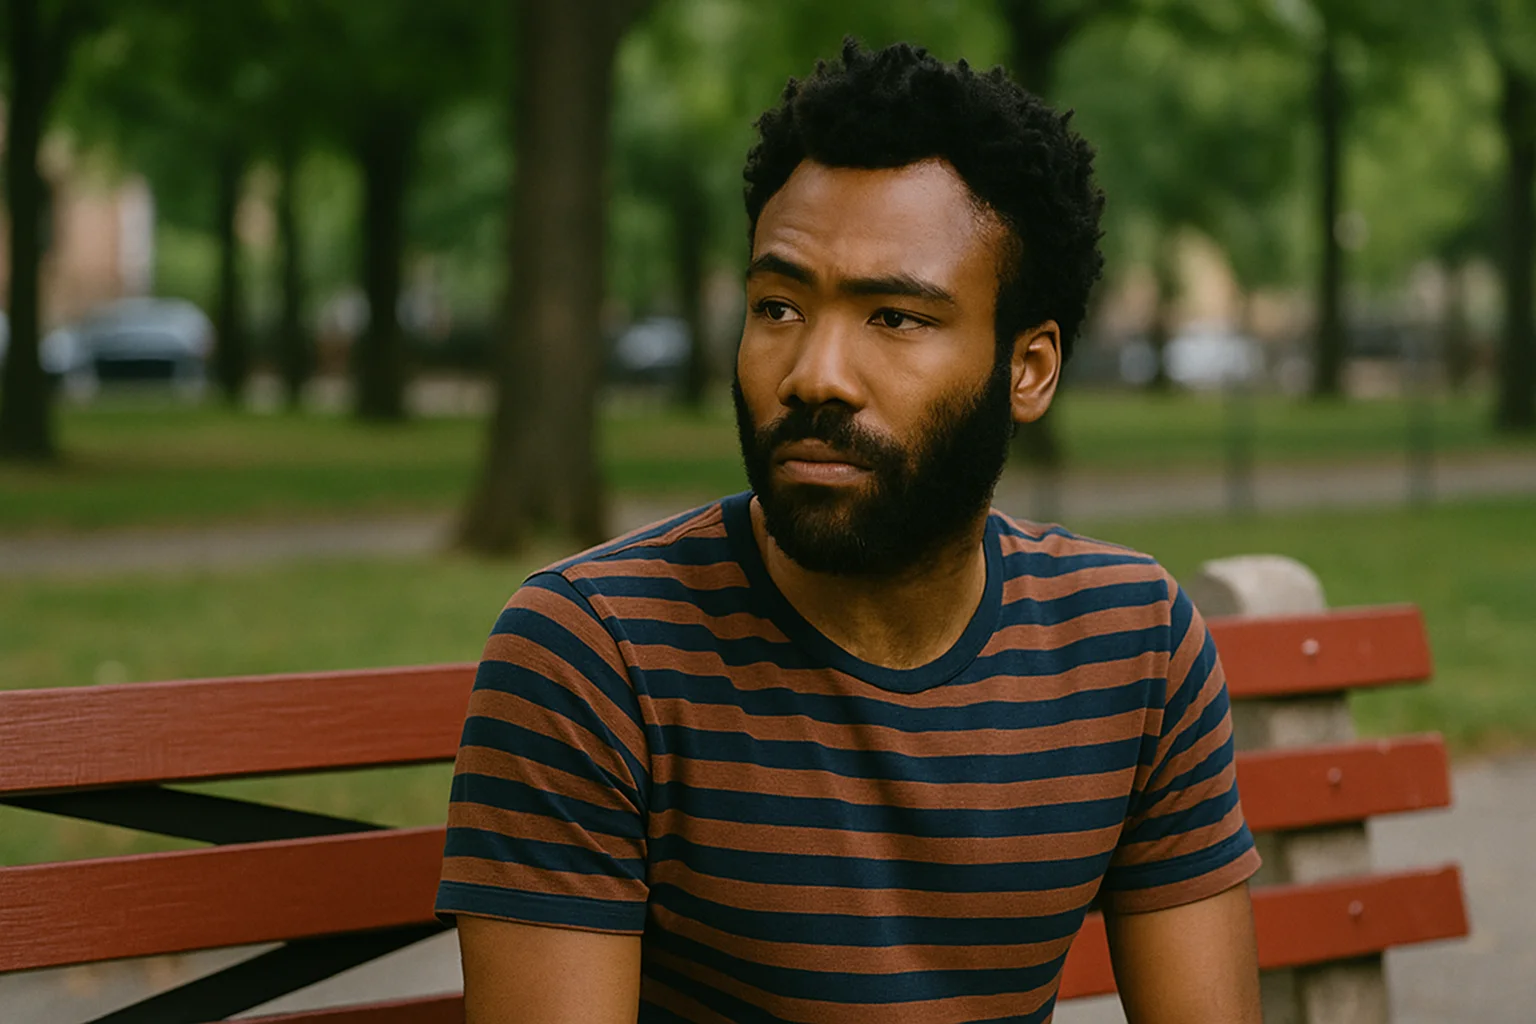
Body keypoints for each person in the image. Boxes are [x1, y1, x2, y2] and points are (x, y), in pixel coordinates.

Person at [438, 39, 1262, 1024]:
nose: (814, 375)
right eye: (778, 306)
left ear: (1029, 369)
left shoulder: (1134, 644)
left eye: (896, 318)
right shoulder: (596, 659)